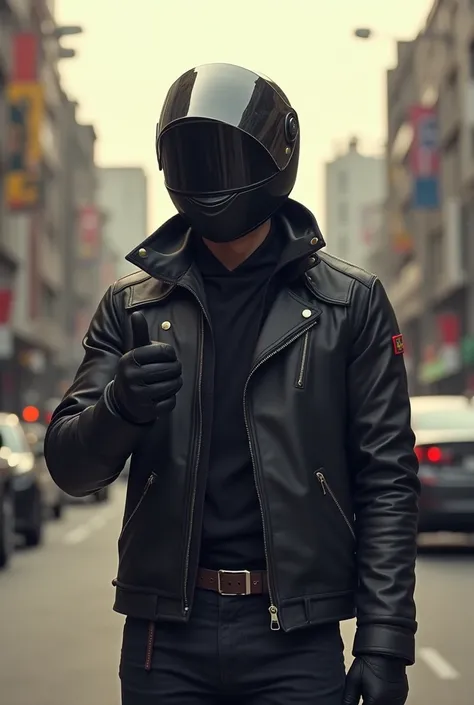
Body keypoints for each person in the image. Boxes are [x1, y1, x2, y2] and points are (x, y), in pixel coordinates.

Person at [45, 63, 420, 705]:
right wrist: (117, 408)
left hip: (296, 636)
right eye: (194, 158)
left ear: (276, 154)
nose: (211, 176)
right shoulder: (130, 306)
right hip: (166, 638)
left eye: (227, 155)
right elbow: (73, 469)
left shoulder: (349, 303)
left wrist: (385, 640)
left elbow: (387, 475)